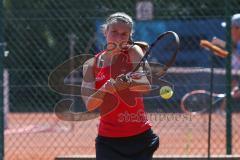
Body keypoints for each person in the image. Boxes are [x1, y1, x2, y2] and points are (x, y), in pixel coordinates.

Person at [81, 12, 159, 160]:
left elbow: (145, 86)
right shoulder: (91, 64)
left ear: (129, 36)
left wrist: (125, 83)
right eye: (114, 32)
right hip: (108, 141)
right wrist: (105, 89)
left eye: (124, 34)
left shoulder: (133, 52)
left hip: (140, 138)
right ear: (105, 32)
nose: (118, 37)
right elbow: (90, 104)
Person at [212, 13, 240, 112]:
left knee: (233, 89)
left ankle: (221, 109)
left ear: (238, 28)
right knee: (232, 88)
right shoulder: (236, 41)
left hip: (237, 70)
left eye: (232, 27)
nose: (230, 30)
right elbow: (231, 52)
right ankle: (222, 110)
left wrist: (220, 43)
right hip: (235, 71)